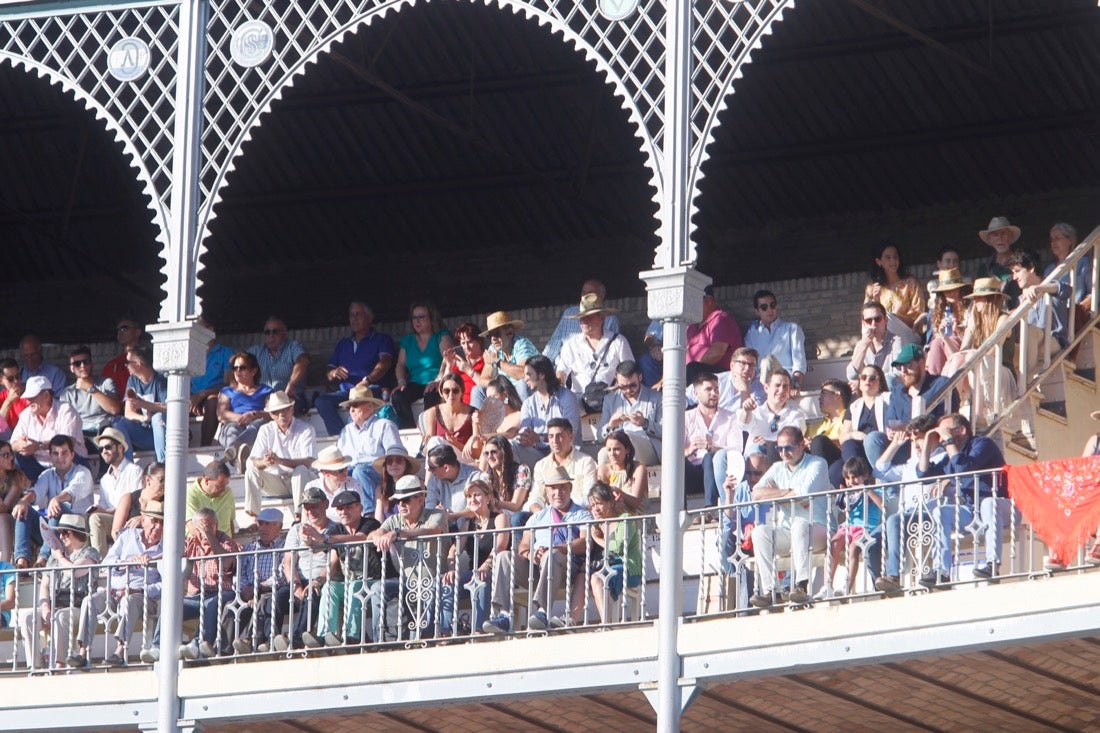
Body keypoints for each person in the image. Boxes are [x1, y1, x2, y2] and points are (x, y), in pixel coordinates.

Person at [484, 467, 591, 633]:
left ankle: (543, 612)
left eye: (562, 487)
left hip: (566, 569)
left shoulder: (582, 514)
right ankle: (504, 615)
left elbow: (585, 542)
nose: (558, 492)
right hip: (535, 568)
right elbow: (523, 545)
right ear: (546, 491)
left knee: (552, 554)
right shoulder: (537, 517)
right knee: (504, 557)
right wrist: (530, 554)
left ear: (570, 488)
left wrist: (557, 548)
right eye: (553, 488)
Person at [916, 413, 1007, 587]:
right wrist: (928, 443)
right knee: (940, 511)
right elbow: (924, 475)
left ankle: (992, 564)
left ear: (962, 430)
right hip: (973, 512)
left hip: (1001, 508)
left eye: (945, 430)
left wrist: (949, 440)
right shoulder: (950, 456)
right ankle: (941, 572)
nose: (942, 436)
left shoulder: (982, 444)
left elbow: (963, 467)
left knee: (989, 503)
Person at [749, 426, 832, 608]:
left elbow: (803, 493)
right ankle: (772, 591)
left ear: (802, 445)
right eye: (779, 449)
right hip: (789, 531)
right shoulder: (777, 467)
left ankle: (801, 585)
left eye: (789, 448)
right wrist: (789, 494)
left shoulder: (818, 463)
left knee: (800, 524)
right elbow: (756, 494)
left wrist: (775, 495)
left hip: (818, 529)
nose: (784, 453)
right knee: (759, 532)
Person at [73, 501, 163, 668]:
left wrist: (140, 589)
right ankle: (82, 652)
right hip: (113, 592)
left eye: (162, 523)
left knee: (129, 601)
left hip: (141, 597)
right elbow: (107, 563)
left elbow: (165, 584)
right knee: (89, 600)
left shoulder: (165, 548)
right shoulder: (128, 536)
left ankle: (120, 651)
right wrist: (127, 563)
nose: (158, 527)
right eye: (154, 521)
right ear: (143, 521)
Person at [369, 476, 451, 641]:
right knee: (378, 587)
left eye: (405, 500)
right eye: (398, 501)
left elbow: (432, 531)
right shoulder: (394, 520)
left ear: (420, 499)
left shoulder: (437, 514)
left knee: (433, 588)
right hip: (405, 582)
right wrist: (378, 536)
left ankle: (428, 640)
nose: (401, 505)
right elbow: (374, 533)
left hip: (434, 579)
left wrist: (398, 533)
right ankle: (379, 640)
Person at [872, 414, 947, 596]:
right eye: (913, 440)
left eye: (919, 439)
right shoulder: (910, 463)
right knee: (871, 542)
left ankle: (893, 575)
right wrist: (895, 444)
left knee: (893, 520)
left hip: (930, 513)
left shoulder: (944, 457)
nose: (916, 444)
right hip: (908, 515)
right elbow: (880, 469)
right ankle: (883, 589)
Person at [19, 513, 99, 670]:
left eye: (65, 532)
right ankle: (34, 666)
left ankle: (58, 663)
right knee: (28, 618)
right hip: (55, 603)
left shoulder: (90, 552)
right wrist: (45, 608)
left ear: (77, 534)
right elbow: (45, 585)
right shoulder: (55, 556)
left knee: (60, 616)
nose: (61, 537)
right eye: (60, 532)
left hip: (78, 606)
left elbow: (75, 572)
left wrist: (60, 557)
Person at [268, 487, 341, 650]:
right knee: (277, 597)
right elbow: (288, 562)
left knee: (311, 594)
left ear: (325, 504)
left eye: (314, 505)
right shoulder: (296, 529)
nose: (310, 510)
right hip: (298, 580)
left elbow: (334, 563)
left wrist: (317, 582)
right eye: (306, 507)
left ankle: (297, 639)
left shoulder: (335, 530)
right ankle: (267, 641)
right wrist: (296, 586)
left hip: (321, 580)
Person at [310, 491, 385, 647]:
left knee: (355, 586)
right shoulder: (335, 530)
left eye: (349, 507)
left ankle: (352, 636)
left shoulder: (371, 523)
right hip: (349, 582)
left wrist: (324, 539)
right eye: (340, 509)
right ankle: (325, 636)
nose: (344, 512)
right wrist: (319, 580)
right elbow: (333, 563)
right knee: (329, 587)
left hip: (375, 581)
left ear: (360, 507)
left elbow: (361, 538)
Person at [166, 507, 240, 660]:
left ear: (216, 526)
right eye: (201, 528)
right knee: (172, 605)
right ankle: (158, 646)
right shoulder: (190, 543)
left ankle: (197, 643)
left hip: (221, 593)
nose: (204, 532)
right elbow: (169, 557)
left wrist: (208, 535)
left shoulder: (225, 541)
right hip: (196, 596)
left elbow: (226, 563)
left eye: (210, 527)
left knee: (213, 604)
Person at [316, 302, 397, 436]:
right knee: (321, 401)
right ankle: (342, 436)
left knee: (360, 401)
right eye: (351, 315)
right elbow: (328, 372)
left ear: (369, 318)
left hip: (371, 390)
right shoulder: (343, 344)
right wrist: (333, 372)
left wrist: (367, 381)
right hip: (347, 393)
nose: (354, 319)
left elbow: (385, 364)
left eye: (358, 314)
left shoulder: (381, 339)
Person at [864, 344, 950, 470]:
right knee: (872, 439)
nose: (903, 370)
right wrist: (891, 431)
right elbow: (891, 421)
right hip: (902, 445)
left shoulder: (940, 384)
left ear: (921, 363)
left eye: (908, 365)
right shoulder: (897, 393)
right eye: (899, 366)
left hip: (929, 443)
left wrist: (907, 427)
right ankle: (890, 488)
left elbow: (944, 419)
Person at [13, 435, 94, 568]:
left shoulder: (83, 472)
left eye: (64, 453)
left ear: (72, 454)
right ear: (50, 456)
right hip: (53, 532)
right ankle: (22, 562)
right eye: (55, 453)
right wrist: (23, 501)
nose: (60, 457)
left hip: (77, 531)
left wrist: (56, 499)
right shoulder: (47, 474)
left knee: (58, 506)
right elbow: (35, 492)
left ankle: (42, 559)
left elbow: (71, 492)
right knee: (24, 510)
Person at [242, 390, 316, 527]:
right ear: (271, 414)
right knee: (251, 468)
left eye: (285, 410)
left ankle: (299, 516)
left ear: (292, 409)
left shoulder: (306, 429)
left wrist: (280, 461)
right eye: (276, 412)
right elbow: (252, 460)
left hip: (301, 481)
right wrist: (264, 462)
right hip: (277, 481)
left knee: (300, 470)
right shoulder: (265, 430)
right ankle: (254, 518)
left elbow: (309, 462)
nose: (281, 415)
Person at [443, 479, 508, 635]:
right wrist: (452, 569)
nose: (472, 499)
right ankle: (446, 630)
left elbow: (500, 545)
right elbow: (454, 550)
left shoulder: (499, 518)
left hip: (495, 571)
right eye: (469, 496)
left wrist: (486, 565)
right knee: (447, 584)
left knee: (481, 580)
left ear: (488, 497)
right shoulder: (468, 524)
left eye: (477, 495)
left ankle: (480, 629)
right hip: (473, 572)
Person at [555, 293, 633, 408]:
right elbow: (561, 372)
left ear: (601, 317)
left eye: (588, 316)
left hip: (612, 403)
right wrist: (559, 386)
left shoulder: (619, 341)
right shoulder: (571, 344)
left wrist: (612, 391)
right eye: (581, 318)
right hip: (579, 405)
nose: (584, 321)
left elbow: (630, 373)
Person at [818, 457, 881, 599]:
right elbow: (843, 512)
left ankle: (847, 585)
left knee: (853, 548)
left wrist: (867, 491)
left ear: (865, 476)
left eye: (855, 477)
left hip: (865, 528)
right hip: (847, 527)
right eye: (848, 478)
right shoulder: (850, 493)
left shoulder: (874, 490)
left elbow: (883, 505)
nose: (851, 482)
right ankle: (827, 585)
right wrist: (843, 498)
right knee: (833, 544)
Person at [229, 507, 286, 655]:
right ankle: (223, 647)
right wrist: (245, 591)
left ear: (279, 527)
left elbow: (281, 575)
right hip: (249, 592)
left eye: (268, 524)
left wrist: (257, 589)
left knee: (265, 600)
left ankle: (255, 641)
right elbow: (239, 575)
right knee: (229, 605)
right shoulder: (249, 548)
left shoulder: (285, 548)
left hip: (270, 591)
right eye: (261, 524)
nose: (263, 528)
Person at [719, 452, 773, 609]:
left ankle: (745, 609)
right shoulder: (741, 490)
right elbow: (727, 526)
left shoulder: (774, 487)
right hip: (745, 545)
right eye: (748, 473)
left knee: (743, 563)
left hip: (769, 541)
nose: (752, 477)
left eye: (757, 473)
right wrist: (729, 496)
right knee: (724, 538)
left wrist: (757, 529)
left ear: (767, 471)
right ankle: (745, 604)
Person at [335, 386, 402, 508]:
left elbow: (395, 456)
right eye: (350, 407)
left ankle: (368, 513)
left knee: (360, 471)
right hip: (351, 469)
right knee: (334, 474)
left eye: (356, 405)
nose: (352, 410)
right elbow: (340, 457)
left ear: (370, 406)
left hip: (378, 471)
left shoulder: (384, 425)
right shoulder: (346, 430)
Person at [10, 375, 86, 482]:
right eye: (27, 399)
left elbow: (67, 442)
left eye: (32, 398)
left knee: (63, 451)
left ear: (46, 395)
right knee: (18, 455)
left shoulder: (65, 410)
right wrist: (22, 445)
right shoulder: (26, 414)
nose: (28, 402)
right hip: (38, 467)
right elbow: (13, 444)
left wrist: (38, 446)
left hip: (70, 464)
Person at [390, 301, 453, 430]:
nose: (417, 321)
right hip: (415, 383)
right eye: (414, 318)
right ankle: (409, 430)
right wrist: (401, 381)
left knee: (431, 394)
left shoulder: (441, 336)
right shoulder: (408, 341)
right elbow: (400, 365)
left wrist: (438, 380)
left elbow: (448, 360)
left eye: (421, 317)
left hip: (437, 380)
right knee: (398, 396)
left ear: (431, 319)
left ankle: (428, 430)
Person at [586, 482, 642, 624]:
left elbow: (619, 547)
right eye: (592, 506)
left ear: (610, 502)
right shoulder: (598, 525)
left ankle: (606, 623)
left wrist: (598, 539)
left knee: (599, 578)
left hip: (629, 568)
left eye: (599, 504)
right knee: (593, 576)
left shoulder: (625, 519)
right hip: (610, 568)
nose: (595, 509)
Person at [514, 355, 582, 468]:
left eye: (528, 374)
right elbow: (525, 434)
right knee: (510, 446)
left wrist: (539, 438)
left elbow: (569, 434)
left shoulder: (567, 397)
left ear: (542, 375)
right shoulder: (528, 403)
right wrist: (523, 437)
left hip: (566, 453)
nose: (525, 379)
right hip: (538, 455)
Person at [524, 418, 597, 516]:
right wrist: (542, 514)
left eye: (560, 436)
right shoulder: (541, 465)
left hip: (577, 514)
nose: (555, 441)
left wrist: (561, 508)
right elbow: (536, 496)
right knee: (518, 518)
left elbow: (589, 497)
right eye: (551, 436)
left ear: (571, 437)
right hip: (548, 516)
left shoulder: (586, 461)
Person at [686, 372, 739, 506]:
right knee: (678, 462)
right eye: (708, 389)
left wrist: (712, 448)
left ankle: (709, 508)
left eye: (716, 389)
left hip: (718, 471)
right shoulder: (686, 417)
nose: (714, 393)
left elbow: (736, 450)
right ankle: (679, 511)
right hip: (693, 471)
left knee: (710, 457)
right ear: (696, 393)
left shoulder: (731, 417)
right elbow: (672, 452)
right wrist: (689, 450)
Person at [597, 361, 662, 467]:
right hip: (619, 445)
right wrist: (611, 425)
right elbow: (600, 437)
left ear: (640, 377)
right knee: (603, 454)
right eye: (622, 387)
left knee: (628, 441)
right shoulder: (610, 400)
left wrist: (645, 423)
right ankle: (602, 484)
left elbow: (665, 432)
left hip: (648, 446)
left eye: (632, 385)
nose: (628, 390)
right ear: (616, 380)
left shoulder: (656, 397)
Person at [89, 427, 142, 557]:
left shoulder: (134, 471)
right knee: (88, 518)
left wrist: (108, 511)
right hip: (112, 520)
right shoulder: (104, 479)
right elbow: (105, 506)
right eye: (101, 449)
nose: (104, 452)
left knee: (96, 519)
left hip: (129, 518)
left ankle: (99, 563)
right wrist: (100, 509)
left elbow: (136, 503)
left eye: (107, 447)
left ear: (120, 448)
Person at [542, 279, 622, 365]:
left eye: (590, 293)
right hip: (562, 368)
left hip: (592, 370)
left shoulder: (610, 320)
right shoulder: (569, 313)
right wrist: (541, 367)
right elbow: (554, 344)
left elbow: (613, 354)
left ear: (602, 295)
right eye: (583, 293)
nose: (585, 296)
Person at [216, 351, 273, 470]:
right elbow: (221, 414)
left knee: (259, 425)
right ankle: (237, 459)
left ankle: (233, 450)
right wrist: (242, 418)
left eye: (242, 367)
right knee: (232, 428)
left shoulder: (266, 390)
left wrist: (254, 415)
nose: (238, 371)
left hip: (256, 424)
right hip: (234, 424)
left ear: (253, 370)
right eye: (235, 368)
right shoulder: (227, 391)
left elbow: (271, 413)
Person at [864, 241, 926, 345]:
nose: (893, 261)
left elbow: (918, 317)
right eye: (888, 257)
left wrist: (895, 318)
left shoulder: (910, 283)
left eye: (895, 256)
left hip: (911, 333)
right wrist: (875, 300)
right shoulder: (873, 287)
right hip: (884, 338)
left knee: (886, 317)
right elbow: (866, 318)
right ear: (879, 261)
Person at [743, 290, 807, 391]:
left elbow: (799, 362)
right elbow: (751, 366)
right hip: (760, 386)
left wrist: (796, 385)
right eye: (764, 307)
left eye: (772, 305)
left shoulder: (792, 329)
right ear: (757, 311)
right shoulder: (751, 335)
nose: (769, 310)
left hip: (785, 382)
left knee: (767, 361)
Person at [113, 345, 167, 463]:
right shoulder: (132, 380)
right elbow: (128, 413)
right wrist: (144, 418)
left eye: (127, 362)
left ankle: (163, 465)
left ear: (138, 364)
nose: (125, 365)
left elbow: (169, 408)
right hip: (146, 434)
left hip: (165, 435)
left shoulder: (161, 380)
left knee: (157, 418)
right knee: (119, 422)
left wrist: (144, 405)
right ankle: (128, 467)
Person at [60, 345, 121, 449]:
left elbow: (115, 410)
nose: (82, 366)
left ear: (91, 364)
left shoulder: (106, 383)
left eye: (86, 361)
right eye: (77, 363)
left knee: (107, 431)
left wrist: (91, 389)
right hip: (80, 435)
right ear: (72, 368)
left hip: (103, 430)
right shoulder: (67, 394)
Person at [738, 369, 806, 461]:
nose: (781, 390)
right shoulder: (756, 412)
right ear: (766, 388)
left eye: (785, 386)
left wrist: (770, 444)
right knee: (755, 449)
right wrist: (746, 410)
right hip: (754, 464)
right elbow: (743, 425)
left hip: (781, 460)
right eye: (777, 385)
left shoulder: (796, 416)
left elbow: (793, 441)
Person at [188, 315, 235, 446]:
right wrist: (192, 398)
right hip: (193, 399)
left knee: (213, 401)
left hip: (214, 396)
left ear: (210, 329)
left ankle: (205, 446)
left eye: (199, 327)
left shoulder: (226, 352)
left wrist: (201, 395)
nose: (195, 331)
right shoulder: (190, 354)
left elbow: (228, 384)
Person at [248, 316, 310, 412]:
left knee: (280, 412)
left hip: (290, 397)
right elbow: (237, 363)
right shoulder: (257, 351)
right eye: (267, 332)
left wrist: (291, 384)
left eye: (275, 332)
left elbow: (303, 361)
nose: (271, 336)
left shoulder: (293, 347)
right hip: (263, 400)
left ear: (285, 334)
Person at [686, 285, 742, 383]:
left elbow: (717, 352)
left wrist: (691, 367)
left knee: (690, 370)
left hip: (721, 375)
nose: (691, 305)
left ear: (709, 301)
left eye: (695, 301)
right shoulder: (691, 325)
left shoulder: (721, 319)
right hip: (692, 373)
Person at [840, 364, 890, 474]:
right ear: (860, 383)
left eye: (872, 378)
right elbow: (842, 438)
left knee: (871, 438)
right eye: (863, 377)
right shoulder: (854, 406)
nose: (868, 380)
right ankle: (857, 481)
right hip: (861, 450)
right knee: (848, 445)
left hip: (881, 446)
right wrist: (853, 434)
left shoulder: (888, 399)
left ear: (880, 382)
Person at [481, 311, 540, 402]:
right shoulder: (493, 349)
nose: (493, 339)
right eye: (490, 335)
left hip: (534, 390)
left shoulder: (522, 344)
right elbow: (484, 379)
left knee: (522, 384)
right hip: (507, 391)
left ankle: (525, 416)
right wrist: (500, 388)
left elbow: (524, 373)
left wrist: (497, 362)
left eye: (496, 333)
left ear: (510, 332)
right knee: (478, 390)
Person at [845, 301, 903, 389]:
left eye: (877, 319)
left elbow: (897, 375)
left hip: (889, 392)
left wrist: (865, 382)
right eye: (868, 320)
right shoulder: (861, 345)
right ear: (863, 323)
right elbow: (852, 375)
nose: (873, 324)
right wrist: (864, 344)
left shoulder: (896, 341)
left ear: (885, 320)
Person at [924, 268, 971, 375]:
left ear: (961, 289)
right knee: (936, 342)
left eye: (955, 289)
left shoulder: (970, 307)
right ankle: (933, 380)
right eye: (947, 291)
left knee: (943, 341)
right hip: (946, 351)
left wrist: (958, 330)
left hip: (966, 350)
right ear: (942, 293)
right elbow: (936, 338)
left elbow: (973, 337)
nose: (952, 293)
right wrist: (941, 331)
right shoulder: (940, 311)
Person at [469, 376, 524, 461]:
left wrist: (480, 436)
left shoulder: (519, 415)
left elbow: (509, 434)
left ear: (505, 395)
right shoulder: (493, 421)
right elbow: (477, 452)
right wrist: (475, 424)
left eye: (493, 397)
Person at [421, 373, 475, 457]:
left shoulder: (473, 413)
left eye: (455, 391)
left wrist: (456, 444)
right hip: (440, 460)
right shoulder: (434, 412)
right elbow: (430, 444)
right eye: (446, 391)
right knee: (433, 441)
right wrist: (426, 441)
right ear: (441, 392)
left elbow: (478, 453)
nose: (451, 395)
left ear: (462, 392)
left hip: (463, 459)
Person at [597, 430, 648, 513]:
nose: (612, 454)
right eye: (609, 450)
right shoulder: (604, 470)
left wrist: (619, 493)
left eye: (616, 449)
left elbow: (635, 502)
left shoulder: (638, 469)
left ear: (627, 449)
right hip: (613, 515)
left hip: (636, 516)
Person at [976, 216, 1023, 308]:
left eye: (1003, 234)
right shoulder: (984, 269)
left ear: (1011, 236)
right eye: (995, 235)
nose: (1000, 238)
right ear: (990, 239)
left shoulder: (1022, 263)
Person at [424, 443, 479, 522]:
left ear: (446, 467)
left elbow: (479, 507)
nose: (429, 471)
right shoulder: (434, 479)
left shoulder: (474, 476)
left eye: (432, 468)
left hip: (469, 528)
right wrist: (435, 512)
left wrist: (453, 516)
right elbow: (429, 504)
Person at [806, 378, 851, 472]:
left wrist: (821, 442)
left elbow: (849, 445)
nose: (819, 398)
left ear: (837, 395)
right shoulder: (814, 426)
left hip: (838, 463)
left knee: (818, 441)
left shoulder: (850, 420)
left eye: (823, 394)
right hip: (813, 464)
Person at [112, 461, 165, 541]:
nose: (166, 484)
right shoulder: (129, 498)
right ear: (148, 480)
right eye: (162, 480)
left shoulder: (168, 502)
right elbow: (115, 532)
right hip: (129, 544)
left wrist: (144, 519)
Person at [477, 435, 530, 513]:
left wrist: (493, 503)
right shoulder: (486, 476)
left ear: (504, 452)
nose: (489, 457)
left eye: (493, 452)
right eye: (486, 453)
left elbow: (515, 506)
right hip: (495, 513)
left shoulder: (521, 470)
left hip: (516, 515)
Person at [442, 321, 489, 405]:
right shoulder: (458, 363)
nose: (466, 347)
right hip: (459, 406)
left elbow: (488, 386)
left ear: (479, 341)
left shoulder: (486, 360)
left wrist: (468, 370)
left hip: (480, 404)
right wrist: (449, 365)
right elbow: (444, 388)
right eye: (463, 343)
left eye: (470, 342)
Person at [0, 440, 31, 562]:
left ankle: (4, 564)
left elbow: (5, 508)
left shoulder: (15, 478)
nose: (11, 458)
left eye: (11, 454)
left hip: (16, 519)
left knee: (1, 518)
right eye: (6, 455)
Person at [185, 460, 235, 535]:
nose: (224, 489)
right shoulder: (190, 494)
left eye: (226, 485)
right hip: (201, 545)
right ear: (206, 481)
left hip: (226, 544)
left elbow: (231, 523)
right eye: (220, 485)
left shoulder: (228, 493)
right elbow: (193, 529)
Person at [371, 446, 420, 523]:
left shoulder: (416, 485)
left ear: (406, 465)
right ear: (385, 466)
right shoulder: (380, 489)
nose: (394, 464)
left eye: (399, 460)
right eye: (390, 461)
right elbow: (379, 520)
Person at [101, 318, 145, 397]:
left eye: (124, 329)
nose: (120, 333)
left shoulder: (147, 359)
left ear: (137, 332)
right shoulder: (112, 365)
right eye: (118, 330)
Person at [0, 359, 30, 435]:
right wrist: (8, 401)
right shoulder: (1, 397)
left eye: (18, 376)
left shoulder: (30, 395)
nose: (16, 381)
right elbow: (1, 427)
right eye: (10, 379)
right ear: (1, 381)